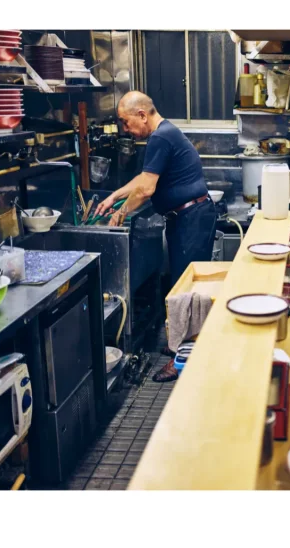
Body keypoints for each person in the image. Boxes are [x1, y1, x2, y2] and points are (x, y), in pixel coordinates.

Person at [95, 91, 216, 382]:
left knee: (185, 293)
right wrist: (115, 196)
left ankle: (182, 360)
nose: (126, 129)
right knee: (180, 288)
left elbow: (147, 190)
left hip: (192, 219)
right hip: (186, 218)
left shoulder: (161, 137)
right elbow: (144, 180)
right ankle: (181, 346)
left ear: (142, 115)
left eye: (126, 122)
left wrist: (120, 214)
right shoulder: (164, 134)